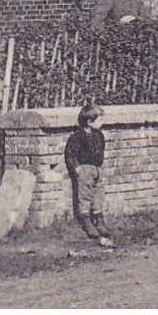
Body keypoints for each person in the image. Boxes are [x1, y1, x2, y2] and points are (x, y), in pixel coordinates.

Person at [65, 103, 114, 247]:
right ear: (89, 122)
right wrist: (76, 168)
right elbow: (70, 154)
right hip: (85, 169)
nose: (102, 123)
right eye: (99, 120)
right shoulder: (78, 137)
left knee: (98, 194)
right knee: (85, 195)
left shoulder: (99, 135)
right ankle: (86, 222)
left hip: (97, 168)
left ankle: (99, 220)